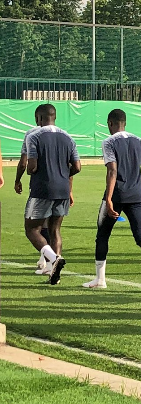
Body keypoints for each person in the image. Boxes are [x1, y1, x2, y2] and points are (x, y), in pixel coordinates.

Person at [83, 109, 141, 291]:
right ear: (125, 123)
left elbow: (112, 171)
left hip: (117, 194)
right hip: (136, 195)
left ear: (110, 123)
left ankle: (100, 279)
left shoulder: (109, 142)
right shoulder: (137, 141)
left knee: (102, 235)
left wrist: (108, 198)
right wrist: (137, 182)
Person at [23, 103, 81, 285]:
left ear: (39, 118)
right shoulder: (68, 137)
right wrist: (63, 175)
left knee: (32, 230)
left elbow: (32, 166)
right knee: (55, 230)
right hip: (63, 190)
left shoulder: (34, 136)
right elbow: (77, 167)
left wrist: (31, 171)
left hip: (42, 189)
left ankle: (54, 259)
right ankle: (54, 274)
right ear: (54, 117)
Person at [15, 107, 54, 274]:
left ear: (38, 118)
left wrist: (17, 180)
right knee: (53, 227)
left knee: (35, 226)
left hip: (40, 186)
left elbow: (25, 163)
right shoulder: (63, 135)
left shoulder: (31, 134)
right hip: (60, 187)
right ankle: (47, 261)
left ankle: (51, 259)